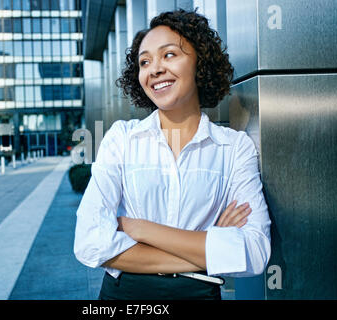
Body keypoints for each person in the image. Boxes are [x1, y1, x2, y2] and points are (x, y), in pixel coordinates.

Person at [74, 9, 271, 300]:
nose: (154, 69)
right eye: (145, 61)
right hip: (124, 297)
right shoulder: (122, 138)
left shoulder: (234, 148)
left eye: (169, 55)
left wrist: (137, 227)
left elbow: (255, 251)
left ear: (199, 62)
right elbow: (89, 242)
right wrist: (210, 250)